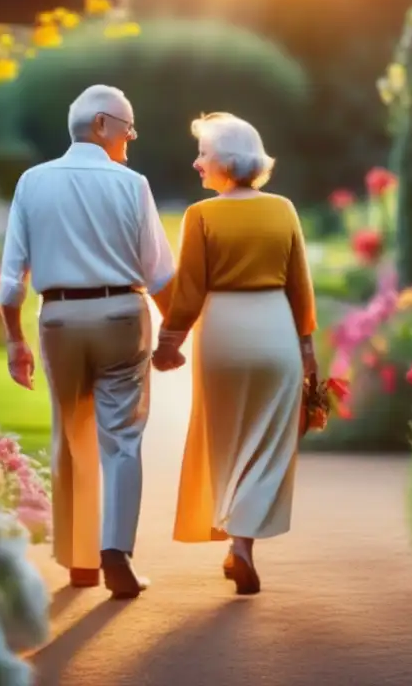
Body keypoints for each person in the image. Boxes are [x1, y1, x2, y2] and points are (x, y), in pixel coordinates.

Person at [0, 85, 177, 600]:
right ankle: (116, 551)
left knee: (70, 433)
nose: (131, 138)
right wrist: (170, 337)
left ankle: (79, 562)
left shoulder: (32, 182)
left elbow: (12, 280)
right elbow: (160, 274)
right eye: (128, 127)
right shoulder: (132, 184)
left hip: (58, 317)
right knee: (121, 438)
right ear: (102, 125)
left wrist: (14, 342)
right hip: (122, 312)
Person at [152, 112, 318, 596]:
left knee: (225, 438)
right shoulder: (283, 209)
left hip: (222, 331)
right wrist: (308, 349)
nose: (196, 162)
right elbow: (300, 287)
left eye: (203, 154)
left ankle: (233, 530)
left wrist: (168, 345)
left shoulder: (202, 216)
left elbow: (188, 292)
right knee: (269, 442)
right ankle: (242, 543)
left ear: (224, 160)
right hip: (274, 330)